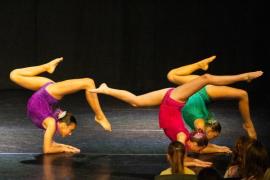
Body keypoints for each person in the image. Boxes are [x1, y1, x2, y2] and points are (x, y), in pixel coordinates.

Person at [90, 69, 262, 154]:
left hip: (169, 98)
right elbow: (186, 150)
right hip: (176, 99)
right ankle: (244, 77)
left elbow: (198, 147)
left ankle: (107, 89)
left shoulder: (188, 139)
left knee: (136, 102)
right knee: (206, 78)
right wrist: (188, 161)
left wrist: (218, 149)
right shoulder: (187, 134)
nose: (201, 149)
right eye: (210, 138)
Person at [10, 57, 111, 154]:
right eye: (71, 129)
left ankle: (47, 67)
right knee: (88, 83)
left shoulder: (51, 123)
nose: (70, 133)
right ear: (63, 124)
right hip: (47, 93)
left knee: (14, 75)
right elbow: (47, 150)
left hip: (44, 93)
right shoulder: (52, 123)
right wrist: (63, 148)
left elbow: (50, 145)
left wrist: (62, 146)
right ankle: (99, 116)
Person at [167, 55, 257, 140]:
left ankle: (199, 65)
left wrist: (214, 145)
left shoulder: (202, 124)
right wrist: (217, 147)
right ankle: (248, 124)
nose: (213, 139)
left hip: (191, 90)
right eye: (214, 136)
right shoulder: (205, 122)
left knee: (171, 75)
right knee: (243, 94)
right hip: (202, 92)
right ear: (208, 130)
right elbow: (202, 134)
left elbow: (200, 136)